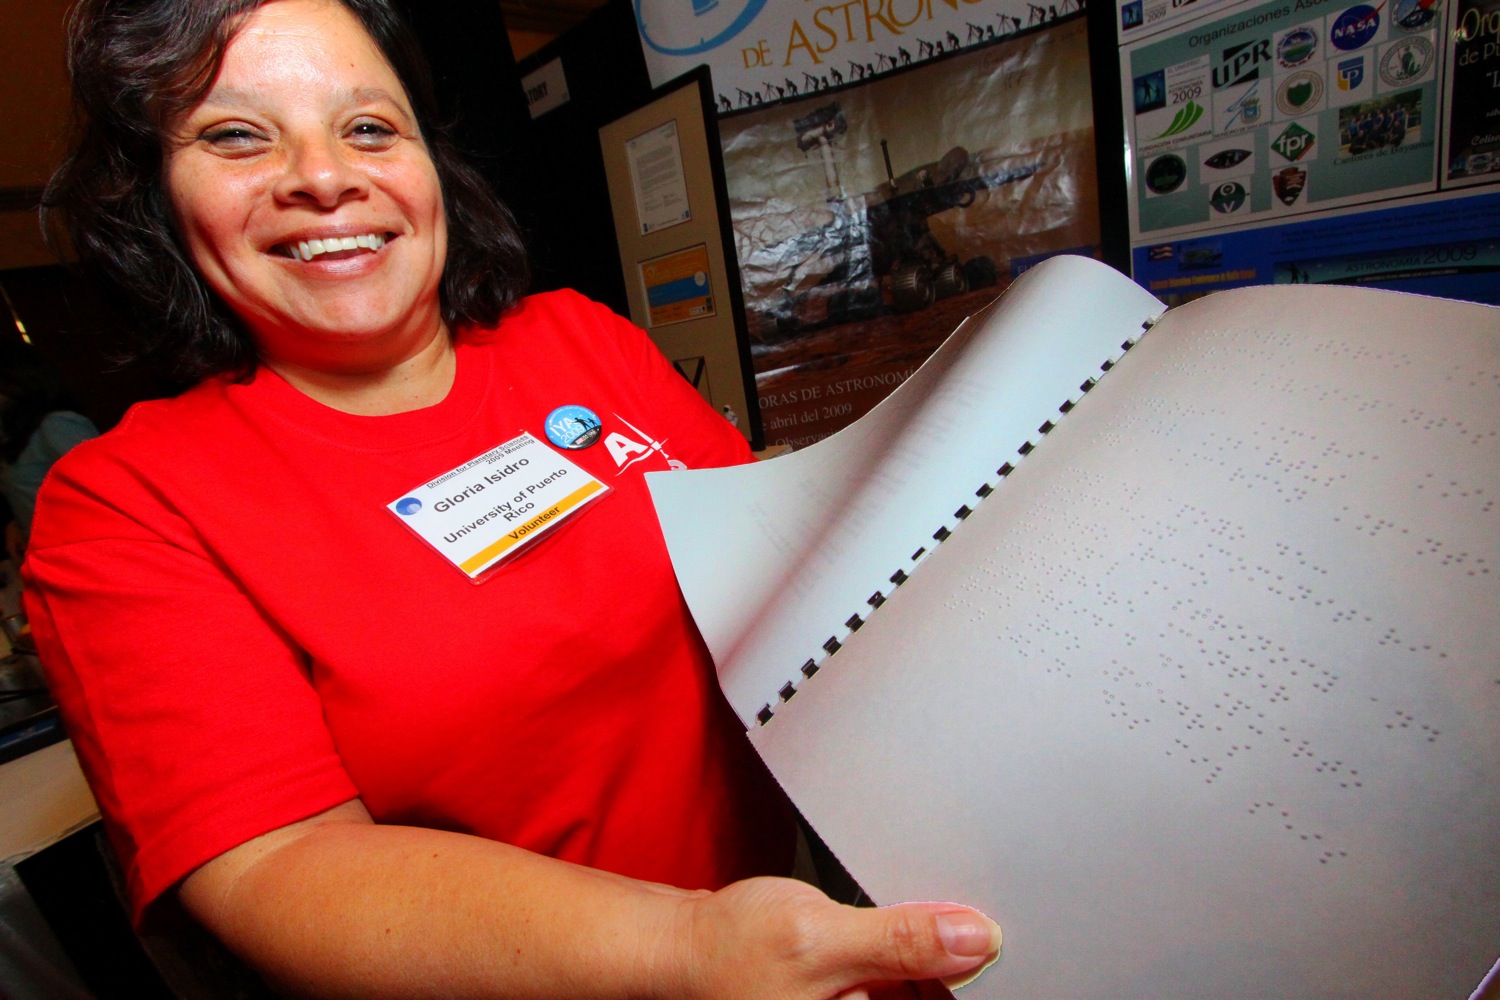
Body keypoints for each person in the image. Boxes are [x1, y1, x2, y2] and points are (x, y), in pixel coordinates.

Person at [26, 0, 1003, 996]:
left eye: (369, 126)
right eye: (237, 136)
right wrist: (687, 948)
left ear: (431, 163)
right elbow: (281, 864)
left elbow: (773, 571)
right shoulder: (124, 505)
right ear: (154, 193)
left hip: (794, 925)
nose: (323, 176)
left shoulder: (581, 341)